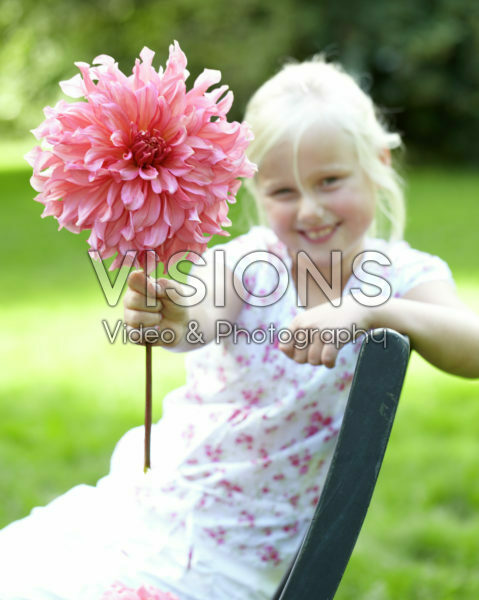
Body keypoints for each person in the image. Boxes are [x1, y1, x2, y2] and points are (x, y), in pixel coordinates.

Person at [1, 56, 479, 600]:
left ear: (378, 162)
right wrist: (174, 315)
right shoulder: (247, 263)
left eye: (330, 181)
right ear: (254, 188)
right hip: (154, 500)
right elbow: (200, 316)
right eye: (283, 192)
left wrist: (375, 310)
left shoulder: (401, 276)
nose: (311, 209)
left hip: (237, 551)